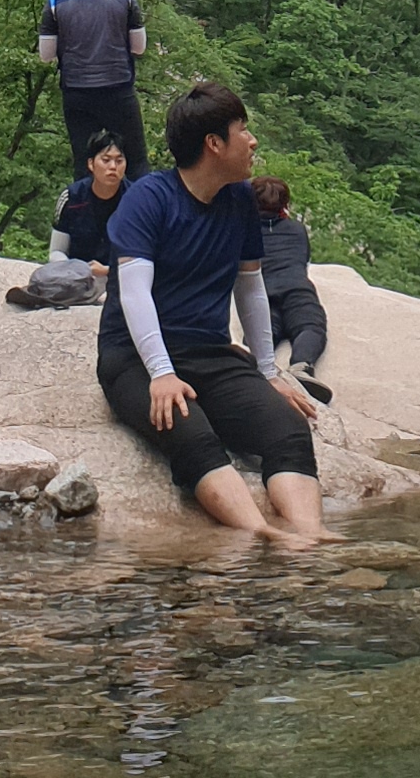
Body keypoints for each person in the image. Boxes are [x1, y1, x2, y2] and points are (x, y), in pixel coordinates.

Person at [96, 78, 331, 546]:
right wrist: (161, 373)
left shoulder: (239, 199)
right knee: (191, 433)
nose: (252, 141)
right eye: (242, 129)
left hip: (210, 352)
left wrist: (267, 371)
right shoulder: (148, 199)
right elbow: (135, 295)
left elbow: (251, 288)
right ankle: (264, 535)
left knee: (287, 429)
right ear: (214, 144)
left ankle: (311, 537)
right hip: (135, 357)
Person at [38, 0, 147, 182]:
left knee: (85, 163)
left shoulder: (55, 1)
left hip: (77, 91)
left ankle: (86, 206)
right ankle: (140, 205)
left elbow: (46, 55)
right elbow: (139, 48)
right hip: (119, 88)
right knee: (135, 161)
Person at [6, 136, 127, 309]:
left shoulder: (136, 200)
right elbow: (56, 251)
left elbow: (145, 256)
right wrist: (80, 271)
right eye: (106, 160)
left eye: (119, 161)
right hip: (74, 280)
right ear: (91, 164)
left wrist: (108, 270)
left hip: (121, 277)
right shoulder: (71, 197)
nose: (113, 167)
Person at [252, 174, 331, 398]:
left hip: (261, 290)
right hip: (296, 286)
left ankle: (259, 367)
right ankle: (300, 366)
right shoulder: (297, 229)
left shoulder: (243, 230)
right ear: (285, 204)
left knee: (266, 328)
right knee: (310, 326)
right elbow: (303, 259)